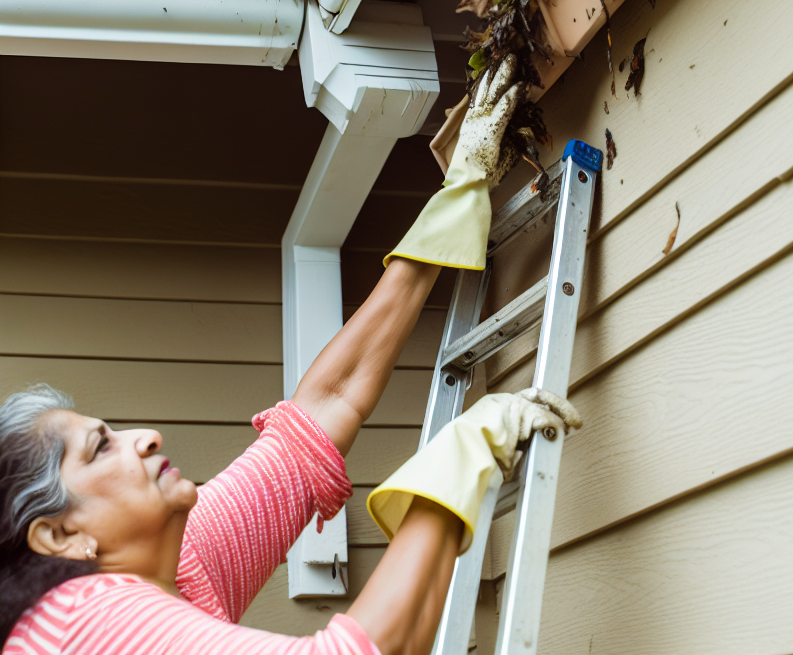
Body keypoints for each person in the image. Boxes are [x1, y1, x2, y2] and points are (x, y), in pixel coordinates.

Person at [0, 58, 581, 655]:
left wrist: (458, 195)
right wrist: (464, 456)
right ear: (62, 534)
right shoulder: (85, 623)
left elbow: (321, 416)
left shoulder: (181, 566)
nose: (144, 436)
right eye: (102, 447)